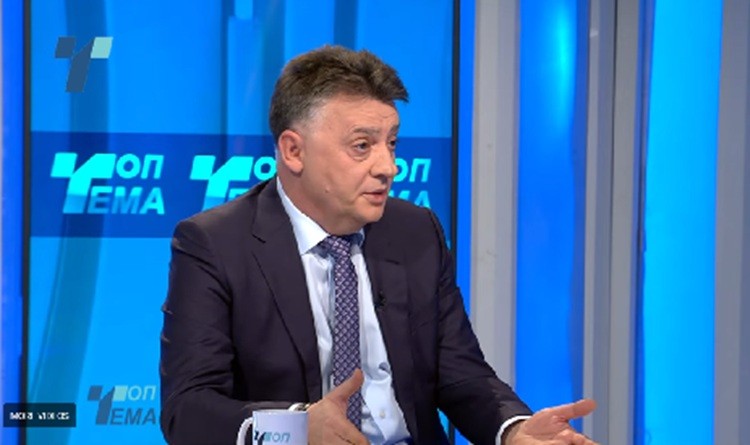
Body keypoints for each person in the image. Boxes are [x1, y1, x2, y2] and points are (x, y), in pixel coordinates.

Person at [160, 45, 598, 445]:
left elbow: (461, 373)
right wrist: (295, 429)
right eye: (362, 146)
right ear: (293, 151)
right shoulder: (215, 244)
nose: (387, 166)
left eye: (391, 144)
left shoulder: (415, 231)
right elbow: (189, 410)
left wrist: (515, 429)